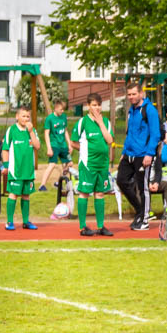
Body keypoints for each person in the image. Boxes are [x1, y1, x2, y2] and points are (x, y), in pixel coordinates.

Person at [117, 84, 162, 230]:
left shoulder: (149, 110)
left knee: (144, 188)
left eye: (134, 94)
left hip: (143, 155)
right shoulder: (131, 110)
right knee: (121, 180)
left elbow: (156, 134)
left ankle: (144, 220)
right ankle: (140, 211)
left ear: (141, 93)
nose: (131, 97)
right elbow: (129, 132)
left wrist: (149, 154)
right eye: (129, 94)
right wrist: (124, 151)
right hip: (129, 153)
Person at [72, 93, 115, 237]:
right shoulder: (82, 122)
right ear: (88, 106)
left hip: (102, 165)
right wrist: (84, 150)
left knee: (100, 193)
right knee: (84, 193)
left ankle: (101, 226)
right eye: (93, 105)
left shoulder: (106, 122)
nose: (96, 108)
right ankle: (82, 227)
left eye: (98, 105)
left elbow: (109, 140)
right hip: (88, 164)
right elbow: (73, 142)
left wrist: (101, 123)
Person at [2, 108, 40, 231]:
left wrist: (31, 132)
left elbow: (37, 146)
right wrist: (6, 166)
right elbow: (5, 149)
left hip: (28, 171)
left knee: (26, 195)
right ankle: (9, 221)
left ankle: (25, 221)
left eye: (28, 116)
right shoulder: (11, 130)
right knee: (13, 194)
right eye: (23, 116)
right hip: (16, 170)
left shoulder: (32, 130)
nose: (26, 119)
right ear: (17, 116)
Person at [37, 100, 72, 192]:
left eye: (63, 109)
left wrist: (69, 143)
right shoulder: (49, 119)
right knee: (52, 164)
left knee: (69, 163)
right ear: (55, 108)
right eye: (61, 109)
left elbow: (65, 130)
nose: (62, 111)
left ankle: (58, 183)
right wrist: (49, 147)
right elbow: (46, 134)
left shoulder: (64, 117)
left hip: (63, 145)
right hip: (54, 145)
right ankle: (42, 185)